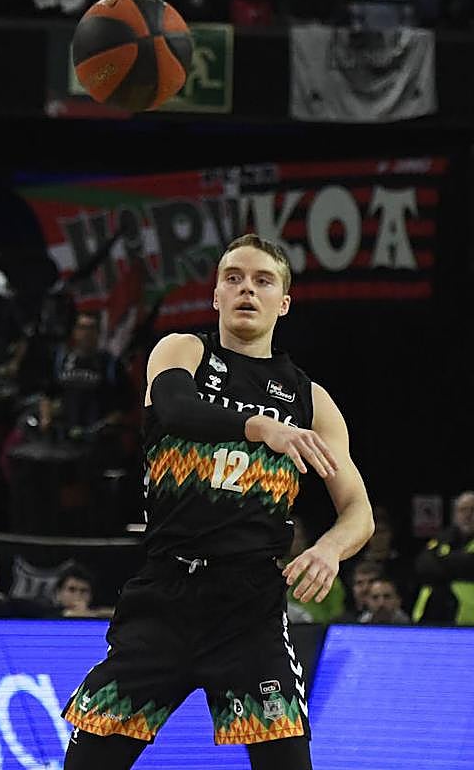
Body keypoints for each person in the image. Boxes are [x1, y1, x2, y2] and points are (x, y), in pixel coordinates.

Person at [62, 234, 374, 770]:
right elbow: (176, 410)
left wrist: (329, 549)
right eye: (233, 278)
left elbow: (359, 513)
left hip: (248, 606)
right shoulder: (182, 350)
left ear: (283, 303)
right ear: (215, 296)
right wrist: (261, 427)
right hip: (165, 594)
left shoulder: (311, 401)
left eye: (262, 280)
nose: (246, 289)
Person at [412, 490, 474, 624]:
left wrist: (441, 563)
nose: (468, 515)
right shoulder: (444, 536)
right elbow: (423, 565)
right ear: (455, 514)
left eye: (472, 510)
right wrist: (458, 564)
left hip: (468, 618)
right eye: (463, 510)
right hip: (432, 614)